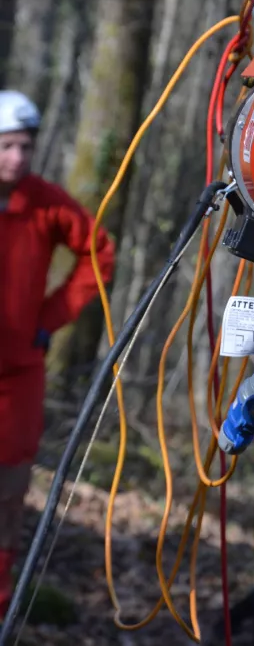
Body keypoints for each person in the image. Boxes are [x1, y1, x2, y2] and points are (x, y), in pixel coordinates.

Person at [0, 90, 115, 619]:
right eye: (6, 146)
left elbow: (100, 254)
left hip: (16, 378)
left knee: (6, 495)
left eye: (24, 146)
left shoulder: (45, 202)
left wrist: (48, 321)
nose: (17, 158)